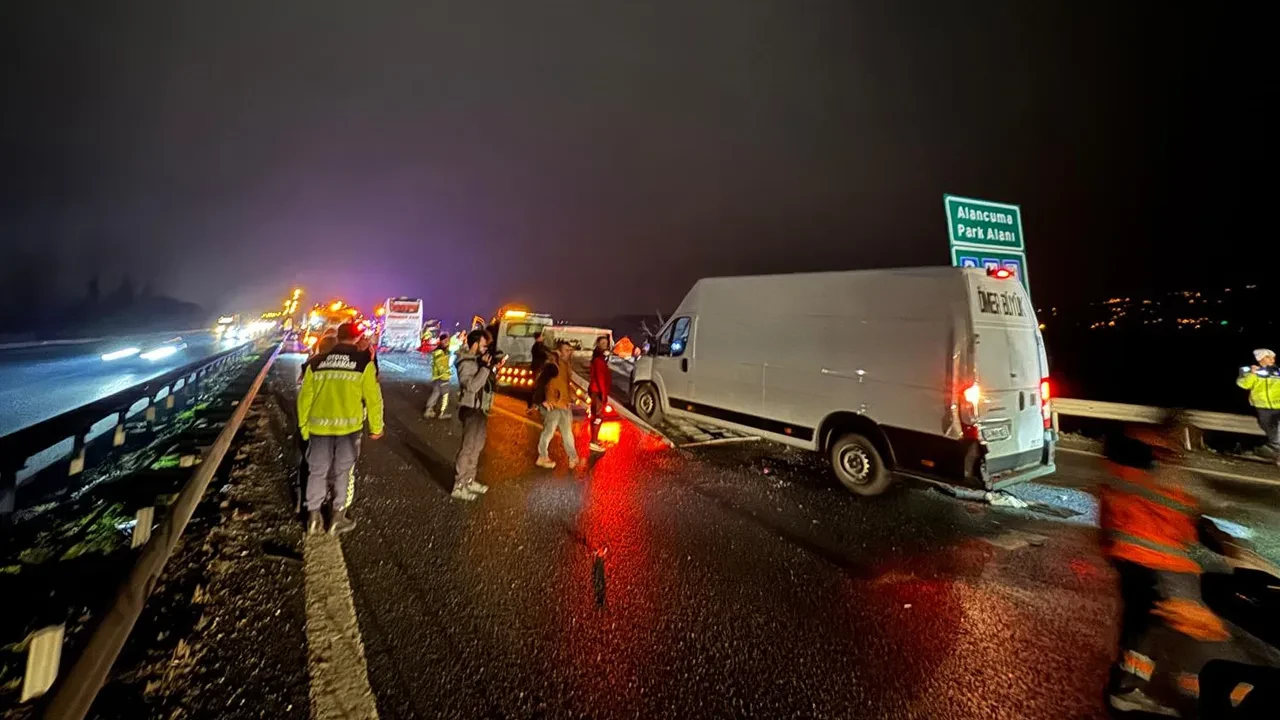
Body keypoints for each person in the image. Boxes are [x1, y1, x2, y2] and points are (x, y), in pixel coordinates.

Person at [1100, 416, 1230, 716]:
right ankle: (1144, 689)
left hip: (1126, 555)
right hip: (1158, 561)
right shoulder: (1165, 468)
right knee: (1171, 624)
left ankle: (1130, 687)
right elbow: (1199, 507)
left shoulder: (1128, 453)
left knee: (1142, 623)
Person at [297, 322, 384, 534]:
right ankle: (337, 518)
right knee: (342, 472)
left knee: (316, 471)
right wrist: (376, 427)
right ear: (355, 338)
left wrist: (303, 427)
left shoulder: (315, 363)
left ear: (338, 337)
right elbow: (373, 399)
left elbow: (304, 399)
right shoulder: (363, 363)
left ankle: (314, 518)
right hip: (348, 429)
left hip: (318, 427)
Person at [452, 328, 503, 501]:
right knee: (467, 448)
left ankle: (469, 480)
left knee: (477, 447)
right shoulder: (465, 362)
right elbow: (471, 387)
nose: (484, 348)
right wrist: (485, 368)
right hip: (470, 408)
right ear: (474, 344)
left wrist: (492, 368)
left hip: (481, 408)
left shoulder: (478, 361)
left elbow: (487, 384)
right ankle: (458, 485)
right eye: (482, 345)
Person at [534, 341, 582, 470]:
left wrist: (574, 396)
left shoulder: (566, 365)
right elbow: (540, 381)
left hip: (564, 404)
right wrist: (543, 400)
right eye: (566, 350)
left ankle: (573, 457)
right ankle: (542, 456)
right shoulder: (551, 364)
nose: (569, 352)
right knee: (548, 431)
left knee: (567, 433)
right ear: (559, 351)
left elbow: (566, 384)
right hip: (552, 404)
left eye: (570, 350)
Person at [1237, 349, 1280, 464]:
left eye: (1273, 357)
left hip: (1278, 405)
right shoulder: (1251, 371)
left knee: (1278, 429)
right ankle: (1272, 450)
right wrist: (1252, 373)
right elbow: (1243, 384)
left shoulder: (1278, 372)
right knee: (1271, 429)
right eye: (1268, 357)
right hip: (1262, 407)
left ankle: (1273, 449)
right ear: (1260, 359)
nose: (1272, 360)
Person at [588, 336, 612, 452]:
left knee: (596, 416)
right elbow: (600, 378)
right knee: (598, 417)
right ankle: (594, 441)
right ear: (598, 344)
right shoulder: (598, 360)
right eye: (602, 343)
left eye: (606, 343)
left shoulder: (599, 358)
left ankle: (594, 440)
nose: (604, 345)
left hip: (596, 390)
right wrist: (603, 394)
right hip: (597, 391)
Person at [424, 333, 453, 418]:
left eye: (448, 340)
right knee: (445, 394)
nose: (448, 342)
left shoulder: (443, 351)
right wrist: (447, 373)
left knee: (436, 393)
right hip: (442, 377)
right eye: (446, 340)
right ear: (441, 341)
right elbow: (440, 365)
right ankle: (442, 413)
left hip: (438, 377)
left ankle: (428, 410)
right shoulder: (439, 352)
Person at [528, 331, 549, 409]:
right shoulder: (538, 346)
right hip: (538, 368)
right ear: (539, 337)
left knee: (536, 385)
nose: (543, 338)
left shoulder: (537, 346)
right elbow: (543, 355)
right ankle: (534, 403)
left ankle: (534, 403)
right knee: (537, 386)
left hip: (537, 367)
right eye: (542, 336)